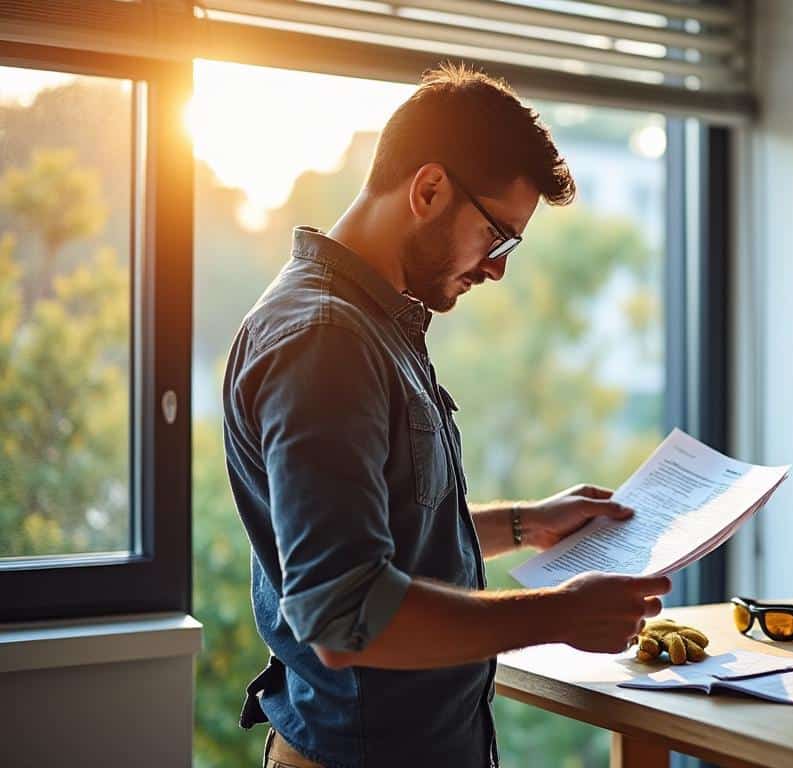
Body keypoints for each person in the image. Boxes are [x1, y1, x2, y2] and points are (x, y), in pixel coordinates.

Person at [221, 63, 672, 768]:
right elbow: (344, 615)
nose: (497, 269)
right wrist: (560, 614)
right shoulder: (325, 341)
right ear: (428, 189)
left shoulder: (370, 325)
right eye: (498, 237)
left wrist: (527, 523)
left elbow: (394, 535)